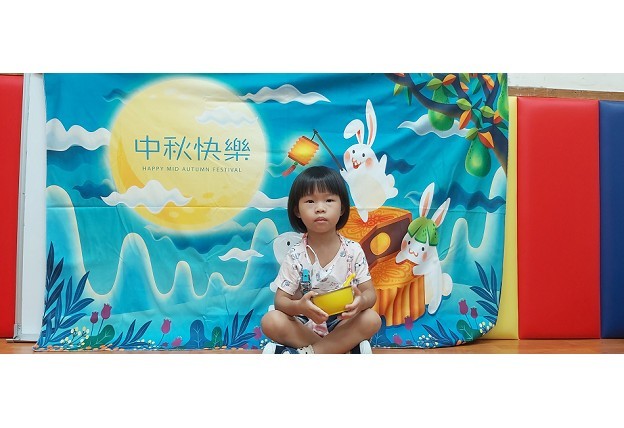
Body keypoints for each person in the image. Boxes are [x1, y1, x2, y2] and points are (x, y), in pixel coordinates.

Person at [261, 165, 381, 354]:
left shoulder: (353, 250)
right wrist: (299, 307)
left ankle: (306, 353)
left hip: (342, 323)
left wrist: (361, 302)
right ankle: (341, 350)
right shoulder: (295, 255)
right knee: (271, 320)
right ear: (297, 211)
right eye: (310, 201)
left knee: (371, 319)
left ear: (342, 208)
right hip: (304, 324)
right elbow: (280, 302)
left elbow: (370, 294)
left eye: (329, 200)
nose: (320, 208)